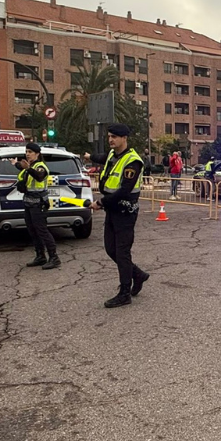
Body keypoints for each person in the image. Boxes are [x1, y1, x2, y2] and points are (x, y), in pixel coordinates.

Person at [83, 124, 150, 308]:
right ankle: (137, 275)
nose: (111, 139)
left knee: (122, 252)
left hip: (125, 212)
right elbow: (101, 158)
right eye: (109, 136)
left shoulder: (132, 161)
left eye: (115, 136)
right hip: (112, 210)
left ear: (124, 138)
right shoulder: (113, 155)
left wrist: (100, 203)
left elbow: (124, 190)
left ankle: (124, 293)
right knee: (110, 249)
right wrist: (89, 156)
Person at [14, 142, 60, 270]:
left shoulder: (40, 167)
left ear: (37, 154)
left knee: (42, 230)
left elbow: (39, 176)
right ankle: (40, 256)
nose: (28, 154)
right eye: (26, 152)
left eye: (30, 152)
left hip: (38, 204)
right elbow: (22, 167)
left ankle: (54, 257)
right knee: (32, 230)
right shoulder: (30, 166)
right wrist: (16, 164)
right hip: (29, 203)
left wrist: (27, 168)